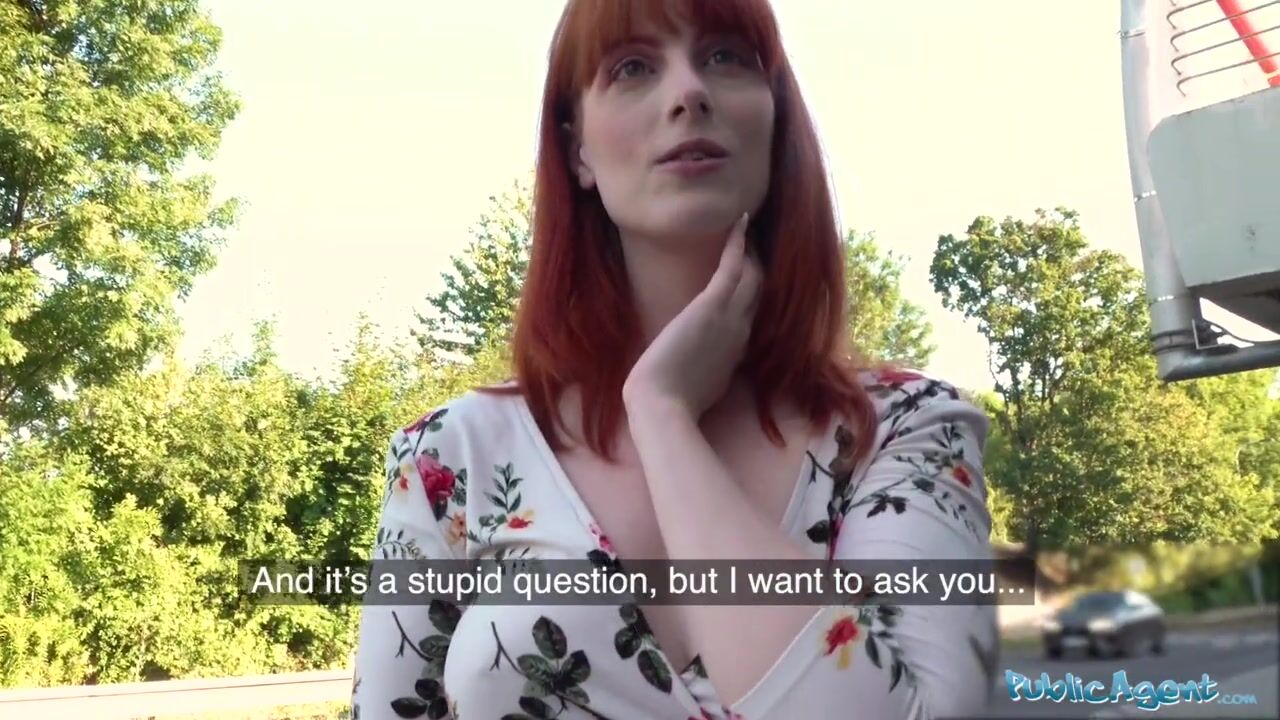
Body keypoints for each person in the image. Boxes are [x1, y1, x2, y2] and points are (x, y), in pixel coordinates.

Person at [350, 0, 998, 718]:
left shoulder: (907, 429)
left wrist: (662, 416)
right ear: (578, 150)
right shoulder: (451, 458)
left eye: (725, 56)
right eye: (632, 67)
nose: (689, 91)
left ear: (775, 117)